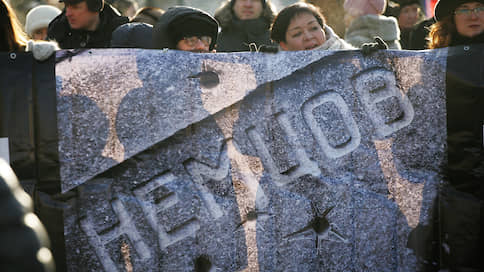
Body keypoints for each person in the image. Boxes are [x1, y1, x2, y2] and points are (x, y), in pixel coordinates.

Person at [271, 2, 354, 51]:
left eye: (314, 28)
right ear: (283, 45)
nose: (308, 37)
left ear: (323, 29)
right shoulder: (275, 75)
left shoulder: (351, 58)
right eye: (297, 34)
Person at [47, 0, 129, 49]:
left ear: (95, 6)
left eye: (75, 7)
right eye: (66, 7)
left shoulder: (124, 34)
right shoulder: (56, 34)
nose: (68, 13)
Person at [152, 6, 218, 53]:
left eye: (206, 40)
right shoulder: (149, 71)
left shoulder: (218, 70)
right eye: (191, 40)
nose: (201, 46)